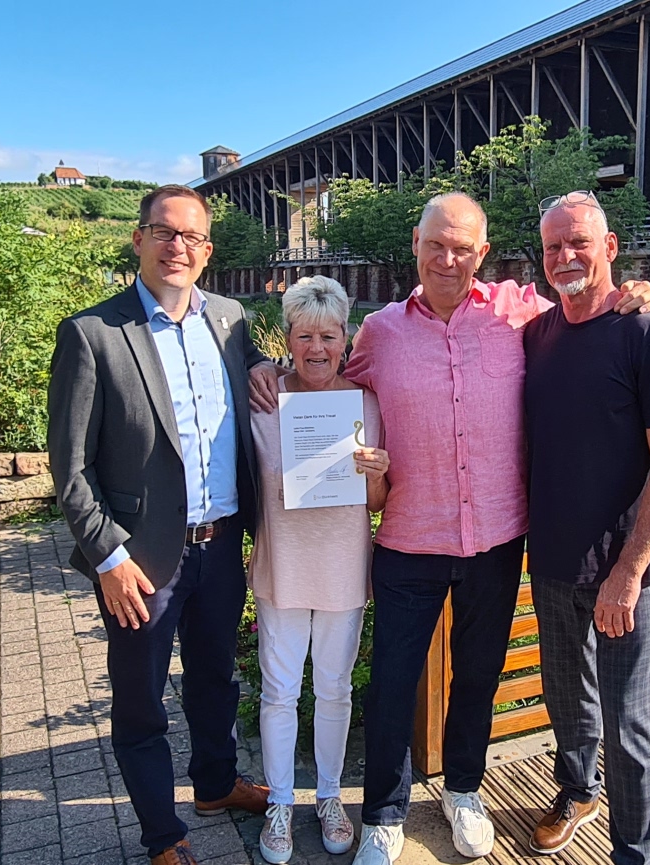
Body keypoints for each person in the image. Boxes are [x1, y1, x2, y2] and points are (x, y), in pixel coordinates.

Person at [313, 192, 650, 865]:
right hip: (409, 540)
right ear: (415, 244)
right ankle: (384, 812)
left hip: (497, 543)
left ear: (482, 253)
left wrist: (642, 294)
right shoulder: (380, 332)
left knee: (478, 678)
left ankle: (464, 789)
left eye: (462, 248)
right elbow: (325, 383)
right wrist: (271, 376)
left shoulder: (518, 314)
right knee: (391, 684)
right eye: (435, 245)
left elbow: (586, 302)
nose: (447, 260)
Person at [47, 184, 283, 865]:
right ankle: (163, 836)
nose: (177, 246)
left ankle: (215, 785)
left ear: (207, 251)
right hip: (141, 560)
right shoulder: (94, 334)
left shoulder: (230, 321)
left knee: (216, 680)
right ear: (139, 240)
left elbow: (250, 373)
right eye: (164, 232)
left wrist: (264, 365)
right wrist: (108, 557)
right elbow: (70, 468)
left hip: (222, 544)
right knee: (141, 701)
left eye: (191, 236)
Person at [520, 192, 650, 864]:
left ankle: (635, 851)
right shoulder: (536, 335)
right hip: (553, 560)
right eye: (553, 246)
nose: (565, 257)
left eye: (579, 243)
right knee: (567, 700)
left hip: (627, 571)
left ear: (611, 247)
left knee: (629, 726)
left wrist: (627, 572)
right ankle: (577, 792)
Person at [248, 276, 390, 863]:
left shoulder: (366, 403)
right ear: (287, 338)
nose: (317, 348)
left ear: (345, 338)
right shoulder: (262, 399)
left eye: (328, 336)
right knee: (280, 691)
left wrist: (376, 472)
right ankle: (280, 802)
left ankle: (330, 796)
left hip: (341, 564)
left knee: (334, 689)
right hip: (282, 564)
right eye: (304, 335)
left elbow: (377, 502)